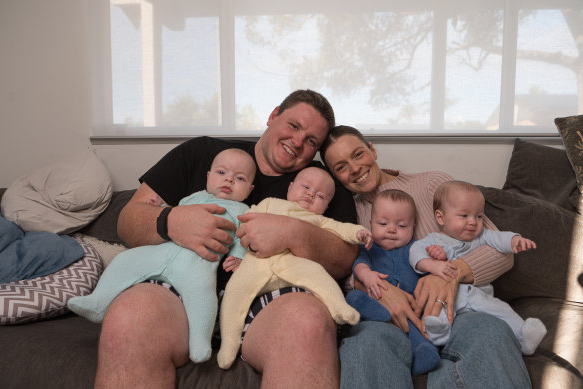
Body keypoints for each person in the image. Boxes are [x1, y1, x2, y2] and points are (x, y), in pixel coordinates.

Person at [99, 90, 359, 388]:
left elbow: (345, 258)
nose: (298, 142)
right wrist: (171, 221)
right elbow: (128, 220)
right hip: (176, 291)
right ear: (273, 116)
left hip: (272, 302)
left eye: (311, 140)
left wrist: (293, 232)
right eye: (294, 126)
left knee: (307, 322)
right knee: (130, 315)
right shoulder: (201, 153)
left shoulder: (319, 183)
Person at [320, 125, 532, 388]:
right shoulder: (346, 214)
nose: (354, 168)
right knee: (365, 345)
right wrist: (379, 288)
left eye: (358, 154)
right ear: (334, 176)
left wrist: (448, 275)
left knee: (491, 333)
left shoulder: (432, 183)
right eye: (340, 167)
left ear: (372, 149)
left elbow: (501, 252)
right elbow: (340, 275)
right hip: (393, 321)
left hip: (458, 311)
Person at [68, 148, 255, 363]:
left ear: (249, 189)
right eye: (221, 173)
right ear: (208, 177)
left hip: (199, 264)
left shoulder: (243, 211)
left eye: (239, 178)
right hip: (161, 251)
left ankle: (200, 343)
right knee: (125, 260)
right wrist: (160, 208)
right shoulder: (195, 197)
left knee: (203, 296)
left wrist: (239, 257)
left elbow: (242, 236)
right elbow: (174, 215)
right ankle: (97, 302)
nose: (229, 179)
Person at [218, 166, 372, 368]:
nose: (310, 194)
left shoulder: (318, 220)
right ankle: (228, 343)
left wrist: (358, 233)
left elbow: (341, 229)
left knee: (318, 275)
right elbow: (243, 227)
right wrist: (239, 258)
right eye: (306, 187)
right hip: (256, 263)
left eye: (320, 196)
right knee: (234, 292)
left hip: (293, 265)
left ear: (326, 207)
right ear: (290, 188)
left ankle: (340, 308)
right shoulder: (269, 204)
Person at [409, 180, 546, 355]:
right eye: (464, 216)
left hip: (480, 297)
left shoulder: (481, 237)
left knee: (503, 309)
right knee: (439, 311)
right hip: (449, 298)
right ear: (440, 217)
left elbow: (498, 238)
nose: (473, 222)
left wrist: (514, 240)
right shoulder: (433, 241)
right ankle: (439, 333)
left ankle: (524, 337)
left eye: (479, 216)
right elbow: (415, 252)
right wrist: (432, 264)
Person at [345, 189, 440, 375]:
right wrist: (367, 276)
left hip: (411, 306)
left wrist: (437, 255)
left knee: (416, 324)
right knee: (354, 297)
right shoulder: (368, 247)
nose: (391, 229)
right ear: (371, 224)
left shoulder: (416, 247)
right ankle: (381, 316)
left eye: (402, 225)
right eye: (383, 223)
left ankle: (422, 351)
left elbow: (430, 266)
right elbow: (359, 265)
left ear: (413, 226)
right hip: (377, 299)